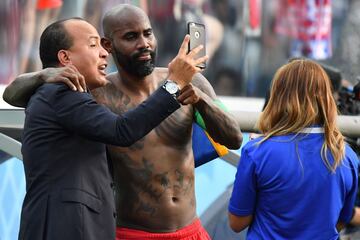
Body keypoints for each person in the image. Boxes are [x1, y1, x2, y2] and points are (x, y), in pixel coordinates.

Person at [4, 4, 243, 240]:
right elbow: (11, 95)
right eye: (131, 37)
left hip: (190, 229)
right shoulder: (94, 93)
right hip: (130, 232)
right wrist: (43, 74)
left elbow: (234, 138)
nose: (144, 43)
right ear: (108, 45)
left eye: (147, 33)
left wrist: (201, 102)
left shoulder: (193, 83)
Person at [228, 58, 359, 239]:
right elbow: (340, 220)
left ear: (277, 97)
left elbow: (237, 222)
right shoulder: (348, 156)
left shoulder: (257, 152)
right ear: (327, 98)